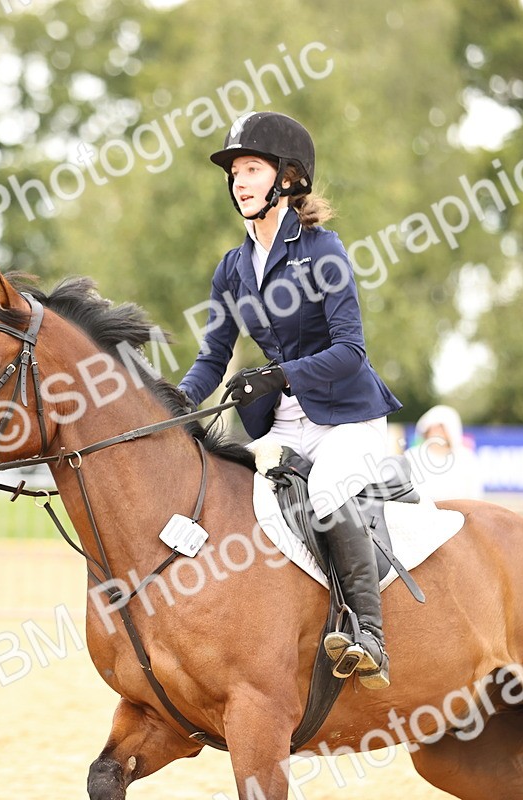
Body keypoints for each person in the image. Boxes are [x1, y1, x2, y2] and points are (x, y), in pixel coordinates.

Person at [177, 112, 403, 689]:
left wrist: (277, 375)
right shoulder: (232, 268)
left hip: (346, 416)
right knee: (233, 504)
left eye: (251, 169)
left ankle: (368, 636)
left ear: (288, 178)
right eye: (234, 174)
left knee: (326, 491)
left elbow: (350, 351)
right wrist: (174, 405)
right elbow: (212, 358)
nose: (239, 182)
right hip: (281, 426)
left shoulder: (323, 251)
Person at [404, 405, 485, 502]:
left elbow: (474, 495)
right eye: (433, 429)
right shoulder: (411, 457)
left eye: (441, 429)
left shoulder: (466, 459)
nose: (437, 433)